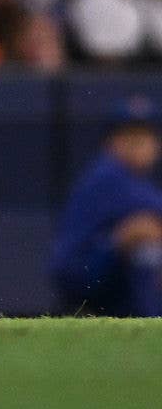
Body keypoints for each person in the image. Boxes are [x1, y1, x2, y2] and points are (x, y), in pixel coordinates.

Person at [51, 98, 162, 317]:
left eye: (144, 137)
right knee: (147, 249)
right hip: (92, 286)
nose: (138, 144)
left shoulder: (137, 180)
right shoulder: (106, 177)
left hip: (107, 282)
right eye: (129, 136)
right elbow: (67, 268)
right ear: (111, 142)